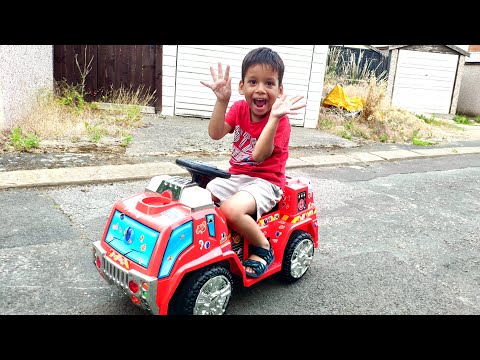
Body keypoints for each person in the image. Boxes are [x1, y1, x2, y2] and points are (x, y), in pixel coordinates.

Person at [200, 47, 306, 278]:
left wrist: (275, 118)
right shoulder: (238, 108)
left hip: (266, 183)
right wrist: (222, 101)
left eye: (269, 83)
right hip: (236, 178)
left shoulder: (280, 121)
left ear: (279, 90)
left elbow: (259, 155)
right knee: (198, 198)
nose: (260, 89)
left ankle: (263, 247)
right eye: (253, 82)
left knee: (229, 209)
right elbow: (215, 133)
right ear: (242, 86)